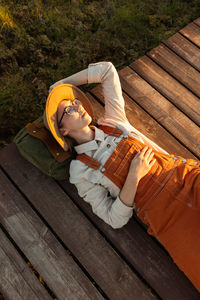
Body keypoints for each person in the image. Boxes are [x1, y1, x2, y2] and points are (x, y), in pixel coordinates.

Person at [44, 61, 200, 291]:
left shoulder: (113, 121)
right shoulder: (80, 172)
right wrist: (134, 176)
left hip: (183, 176)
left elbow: (106, 70)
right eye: (68, 110)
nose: (78, 106)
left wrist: (60, 85)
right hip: (164, 217)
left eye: (76, 101)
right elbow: (112, 218)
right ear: (63, 130)